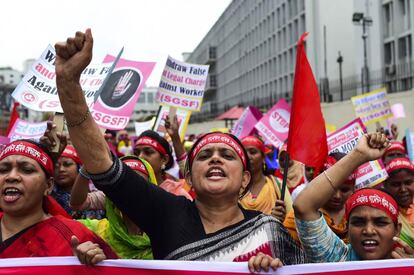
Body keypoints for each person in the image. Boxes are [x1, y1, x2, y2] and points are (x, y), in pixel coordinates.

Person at [54, 29, 305, 271]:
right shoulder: (165, 212)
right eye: (205, 156)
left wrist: (274, 269)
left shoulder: (270, 230)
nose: (215, 159)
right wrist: (68, 84)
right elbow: (102, 164)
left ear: (245, 179)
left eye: (227, 155)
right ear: (188, 177)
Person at [293, 133, 414, 261]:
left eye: (380, 222)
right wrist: (359, 154)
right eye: (358, 222)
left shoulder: (406, 263)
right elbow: (303, 206)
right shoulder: (338, 259)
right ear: (347, 229)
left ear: (397, 230)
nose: (368, 230)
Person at [0, 139, 117, 263]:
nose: (12, 176)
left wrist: (96, 264)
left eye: (27, 170)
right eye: (3, 170)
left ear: (49, 185)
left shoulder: (77, 237)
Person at [284, 153, 355, 243]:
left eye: (344, 190)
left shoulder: (359, 215)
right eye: (332, 188)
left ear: (353, 188)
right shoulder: (297, 218)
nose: (337, 196)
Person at [239, 135, 293, 222]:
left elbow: (291, 219)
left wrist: (280, 220)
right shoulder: (234, 187)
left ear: (263, 157)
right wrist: (269, 220)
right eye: (244, 153)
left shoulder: (277, 184)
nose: (248, 157)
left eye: (252, 152)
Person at [51, 144, 105, 219]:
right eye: (56, 166)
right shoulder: (47, 197)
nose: (61, 169)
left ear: (79, 168)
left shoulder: (96, 197)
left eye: (67, 164)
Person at [383, 157, 414, 249]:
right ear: (385, 185)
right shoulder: (382, 213)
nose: (403, 189)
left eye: (408, 183)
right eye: (396, 184)